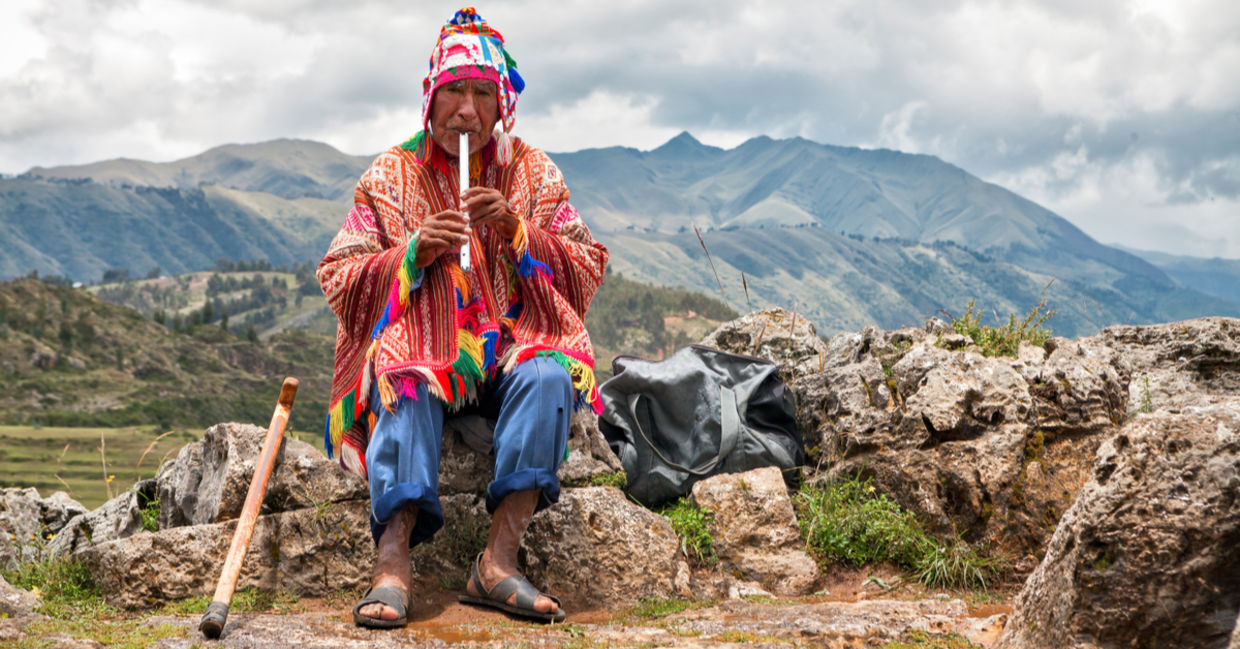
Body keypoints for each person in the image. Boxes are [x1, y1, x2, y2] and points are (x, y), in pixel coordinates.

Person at [316, 7, 608, 628]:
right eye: (454, 91)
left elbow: (586, 264)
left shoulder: (531, 171)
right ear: (431, 98)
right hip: (427, 348)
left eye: (483, 93)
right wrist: (411, 255)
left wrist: (518, 231)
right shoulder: (392, 175)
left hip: (508, 349)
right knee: (405, 372)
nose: (468, 110)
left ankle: (498, 561)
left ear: (503, 105)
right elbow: (339, 275)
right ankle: (392, 561)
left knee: (551, 375)